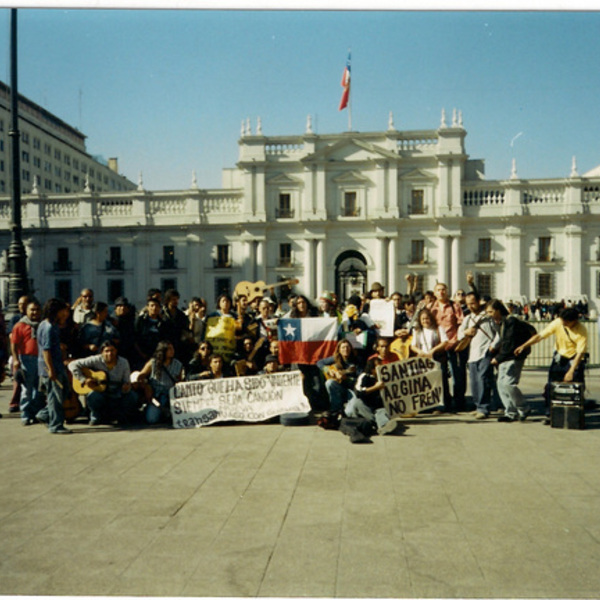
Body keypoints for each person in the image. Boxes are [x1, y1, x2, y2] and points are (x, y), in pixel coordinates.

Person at [515, 307, 587, 424]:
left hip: (574, 360)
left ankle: (575, 415)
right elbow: (540, 336)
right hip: (559, 359)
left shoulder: (581, 330)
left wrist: (571, 371)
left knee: (575, 390)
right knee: (551, 387)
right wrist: (524, 345)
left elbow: (580, 352)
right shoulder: (558, 322)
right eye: (562, 321)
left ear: (574, 321)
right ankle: (550, 413)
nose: (563, 324)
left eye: (566, 322)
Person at [68, 341, 140, 426]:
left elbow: (126, 381)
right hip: (100, 392)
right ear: (102, 352)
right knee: (93, 396)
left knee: (132, 396)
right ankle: (95, 416)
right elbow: (72, 364)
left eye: (112, 350)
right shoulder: (95, 360)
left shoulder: (124, 363)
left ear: (116, 351)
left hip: (117, 392)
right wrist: (83, 379)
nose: (109, 353)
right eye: (106, 351)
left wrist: (126, 388)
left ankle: (121, 416)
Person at [486, 299, 535, 422]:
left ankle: (523, 407)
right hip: (505, 357)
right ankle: (510, 412)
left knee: (509, 384)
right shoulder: (498, 322)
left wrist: (498, 358)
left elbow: (509, 342)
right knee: (501, 385)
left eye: (491, 311)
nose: (489, 314)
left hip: (514, 357)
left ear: (498, 310)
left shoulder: (511, 322)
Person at [349, 337, 405, 435]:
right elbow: (358, 392)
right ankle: (378, 423)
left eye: (386, 346)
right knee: (356, 403)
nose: (384, 349)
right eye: (382, 346)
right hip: (366, 405)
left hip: (381, 403)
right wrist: (375, 387)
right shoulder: (365, 376)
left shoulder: (395, 356)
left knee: (381, 411)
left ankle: (382, 425)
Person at [457, 292, 497, 419]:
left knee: (483, 379)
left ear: (479, 301)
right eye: (468, 304)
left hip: (486, 352)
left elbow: (498, 333)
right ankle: (477, 405)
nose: (470, 306)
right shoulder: (467, 318)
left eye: (473, 303)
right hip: (473, 353)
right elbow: (459, 335)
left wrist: (493, 346)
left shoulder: (488, 316)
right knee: (474, 381)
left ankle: (484, 407)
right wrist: (466, 332)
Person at [35, 298, 72, 434]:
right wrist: (51, 369)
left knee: (61, 393)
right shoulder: (48, 327)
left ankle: (44, 414)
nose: (66, 314)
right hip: (50, 367)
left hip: (56, 365)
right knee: (55, 396)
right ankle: (55, 424)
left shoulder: (51, 325)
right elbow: (46, 350)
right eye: (63, 312)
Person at [430, 282, 465, 412]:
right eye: (438, 290)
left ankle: (459, 402)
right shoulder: (431, 308)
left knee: (457, 375)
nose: (441, 292)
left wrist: (456, 339)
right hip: (438, 347)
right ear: (434, 293)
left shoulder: (454, 306)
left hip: (452, 345)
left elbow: (461, 323)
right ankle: (444, 401)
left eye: (444, 289)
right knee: (440, 375)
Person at [10, 300, 43, 425]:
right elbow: (13, 344)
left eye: (37, 310)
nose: (34, 312)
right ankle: (25, 414)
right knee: (26, 389)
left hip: (40, 359)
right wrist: (16, 360)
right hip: (26, 359)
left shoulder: (42, 324)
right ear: (26, 311)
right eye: (32, 310)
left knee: (39, 389)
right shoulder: (20, 325)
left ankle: (35, 414)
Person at [137, 341, 183, 424]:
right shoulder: (152, 363)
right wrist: (146, 386)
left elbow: (180, 382)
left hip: (171, 396)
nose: (172, 351)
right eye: (169, 349)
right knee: (152, 419)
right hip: (156, 396)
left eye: (172, 348)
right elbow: (140, 377)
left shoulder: (178, 364)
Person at [317, 339, 361, 421]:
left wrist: (347, 379)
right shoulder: (335, 358)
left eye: (347, 347)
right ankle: (335, 409)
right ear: (339, 350)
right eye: (343, 347)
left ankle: (346, 408)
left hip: (351, 389)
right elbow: (319, 363)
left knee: (350, 413)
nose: (345, 349)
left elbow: (360, 379)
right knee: (329, 382)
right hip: (339, 388)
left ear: (351, 348)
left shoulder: (356, 361)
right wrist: (328, 370)